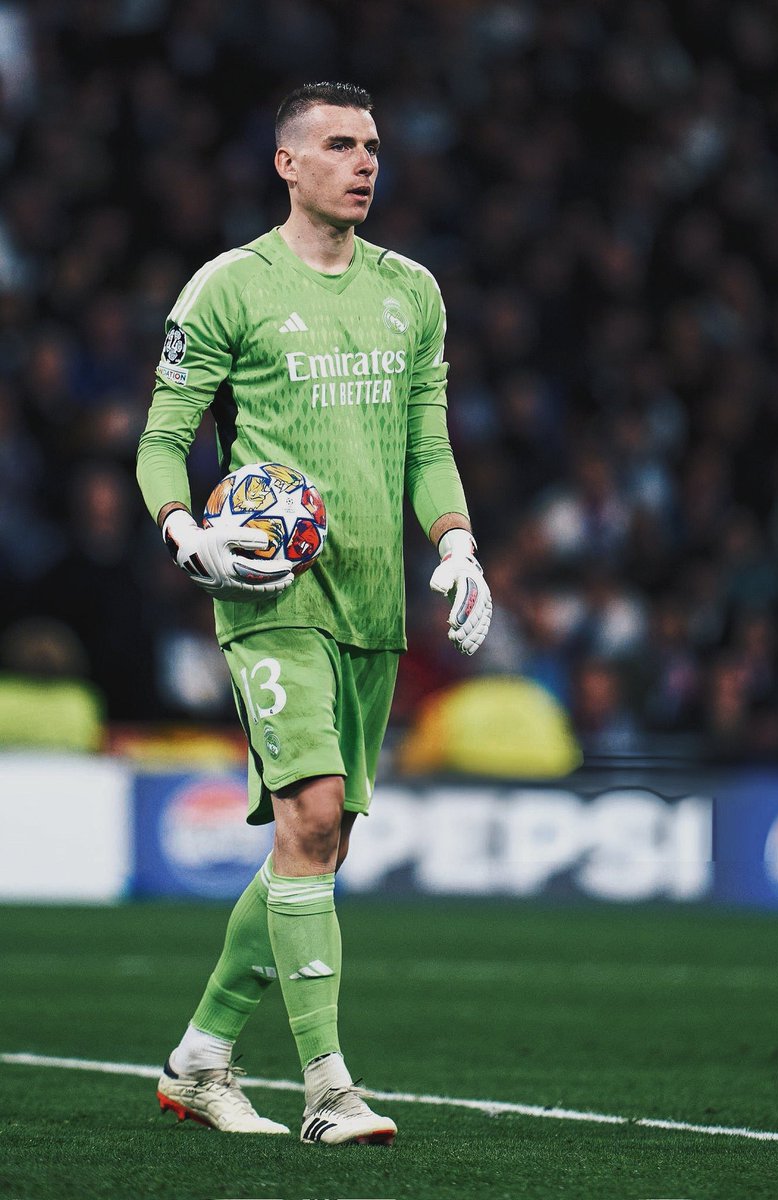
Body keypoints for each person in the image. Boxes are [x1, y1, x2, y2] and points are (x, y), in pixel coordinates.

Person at [136, 81, 492, 1146]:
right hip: (269, 595)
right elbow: (164, 436)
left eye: (372, 145)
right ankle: (329, 1089)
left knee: (313, 842)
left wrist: (458, 543)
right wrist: (184, 531)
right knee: (316, 812)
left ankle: (200, 1059)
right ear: (287, 164)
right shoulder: (227, 288)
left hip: (376, 604)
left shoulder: (412, 293)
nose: (363, 161)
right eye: (338, 145)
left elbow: (427, 444)